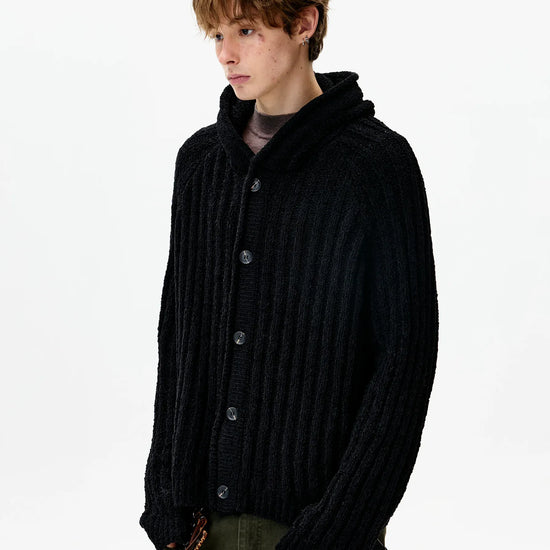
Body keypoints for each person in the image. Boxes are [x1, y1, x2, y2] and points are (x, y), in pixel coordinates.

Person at [139, 1, 439, 549]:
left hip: (321, 529)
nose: (227, 54)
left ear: (304, 23)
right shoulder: (201, 163)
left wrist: (335, 530)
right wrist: (163, 500)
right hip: (200, 528)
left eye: (246, 30)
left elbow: (404, 365)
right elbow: (178, 340)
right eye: (217, 35)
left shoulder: (375, 165)